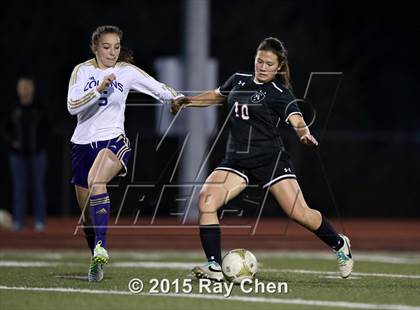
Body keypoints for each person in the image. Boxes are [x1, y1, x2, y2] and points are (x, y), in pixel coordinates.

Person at [172, 37, 353, 280]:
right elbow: (217, 96)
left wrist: (304, 134)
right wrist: (188, 102)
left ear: (279, 67)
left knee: (299, 213)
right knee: (206, 200)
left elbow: (297, 119)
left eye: (269, 64)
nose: (263, 67)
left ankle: (339, 243)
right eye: (260, 61)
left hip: (270, 160)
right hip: (236, 160)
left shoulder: (279, 92)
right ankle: (214, 265)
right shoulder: (239, 80)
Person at [67, 25, 183, 282]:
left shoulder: (125, 72)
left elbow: (158, 87)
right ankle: (96, 260)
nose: (112, 52)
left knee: (98, 180)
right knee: (87, 217)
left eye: (116, 47)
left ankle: (101, 247)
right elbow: (72, 107)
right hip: (82, 145)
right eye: (106, 47)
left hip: (113, 140)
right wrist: (98, 88)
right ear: (94, 47)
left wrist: (176, 98)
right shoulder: (82, 71)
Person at [2, 77, 50, 232]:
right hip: (18, 155)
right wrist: (12, 143)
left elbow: (47, 128)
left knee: (38, 188)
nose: (25, 90)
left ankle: (40, 221)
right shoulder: (13, 108)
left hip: (37, 154)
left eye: (27, 87)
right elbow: (5, 129)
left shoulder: (39, 108)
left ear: (32, 89)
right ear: (18, 89)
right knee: (19, 188)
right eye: (22, 87)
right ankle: (19, 221)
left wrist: (41, 145)